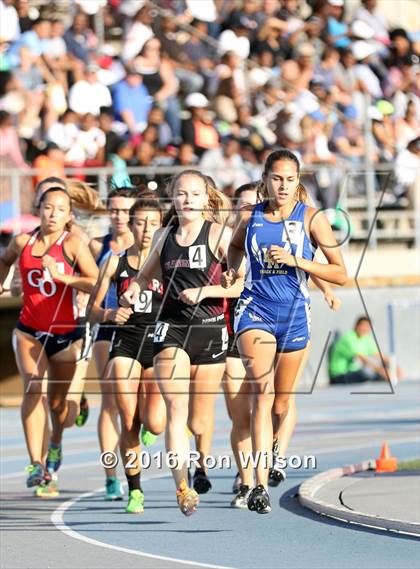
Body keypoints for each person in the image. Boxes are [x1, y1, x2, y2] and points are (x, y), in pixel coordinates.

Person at [222, 149, 347, 513]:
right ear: (264, 179)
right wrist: (233, 269)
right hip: (255, 311)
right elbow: (233, 248)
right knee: (262, 393)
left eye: (290, 179)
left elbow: (340, 273)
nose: (283, 185)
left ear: (298, 181)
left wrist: (297, 261)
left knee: (281, 402)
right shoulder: (251, 218)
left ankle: (276, 451)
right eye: (277, 178)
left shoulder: (311, 218)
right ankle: (258, 484)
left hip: (293, 315)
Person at [122, 170, 243, 516]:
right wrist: (134, 290)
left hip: (209, 329)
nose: (187, 199)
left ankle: (196, 459)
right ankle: (182, 487)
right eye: (181, 194)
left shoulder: (220, 235)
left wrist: (206, 290)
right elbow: (145, 276)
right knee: (176, 410)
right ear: (173, 199)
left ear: (207, 199)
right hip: (171, 328)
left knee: (199, 422)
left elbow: (239, 285)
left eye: (194, 194)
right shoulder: (163, 236)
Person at [0, 186, 98, 497]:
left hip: (65, 335)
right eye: (47, 208)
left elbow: (95, 280)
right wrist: (6, 281)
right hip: (29, 331)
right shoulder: (22, 241)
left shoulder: (72, 244)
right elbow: (5, 261)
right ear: (38, 210)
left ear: (69, 215)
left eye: (59, 209)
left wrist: (64, 278)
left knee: (58, 407)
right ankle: (36, 464)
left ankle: (55, 443)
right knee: (33, 386)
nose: (52, 214)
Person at [89, 194, 166, 514]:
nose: (146, 230)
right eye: (140, 223)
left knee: (157, 423)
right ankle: (135, 489)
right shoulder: (114, 260)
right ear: (130, 226)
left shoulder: (169, 262)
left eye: (153, 223)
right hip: (126, 343)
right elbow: (92, 310)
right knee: (128, 419)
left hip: (160, 344)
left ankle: (152, 425)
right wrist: (109, 315)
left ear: (161, 227)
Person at [89, 187, 137, 501]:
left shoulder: (154, 243)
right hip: (109, 329)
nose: (120, 217)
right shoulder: (98, 246)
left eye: (125, 211)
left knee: (140, 409)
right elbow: (91, 300)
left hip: (146, 331)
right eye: (115, 210)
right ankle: (111, 475)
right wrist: (108, 312)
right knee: (111, 404)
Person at [329, 316, 403, 384]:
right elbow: (363, 359)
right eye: (362, 326)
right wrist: (383, 372)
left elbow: (379, 355)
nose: (364, 329)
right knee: (368, 372)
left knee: (378, 370)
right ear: (356, 325)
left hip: (354, 372)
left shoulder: (366, 339)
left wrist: (395, 367)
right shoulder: (349, 338)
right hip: (340, 375)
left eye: (367, 327)